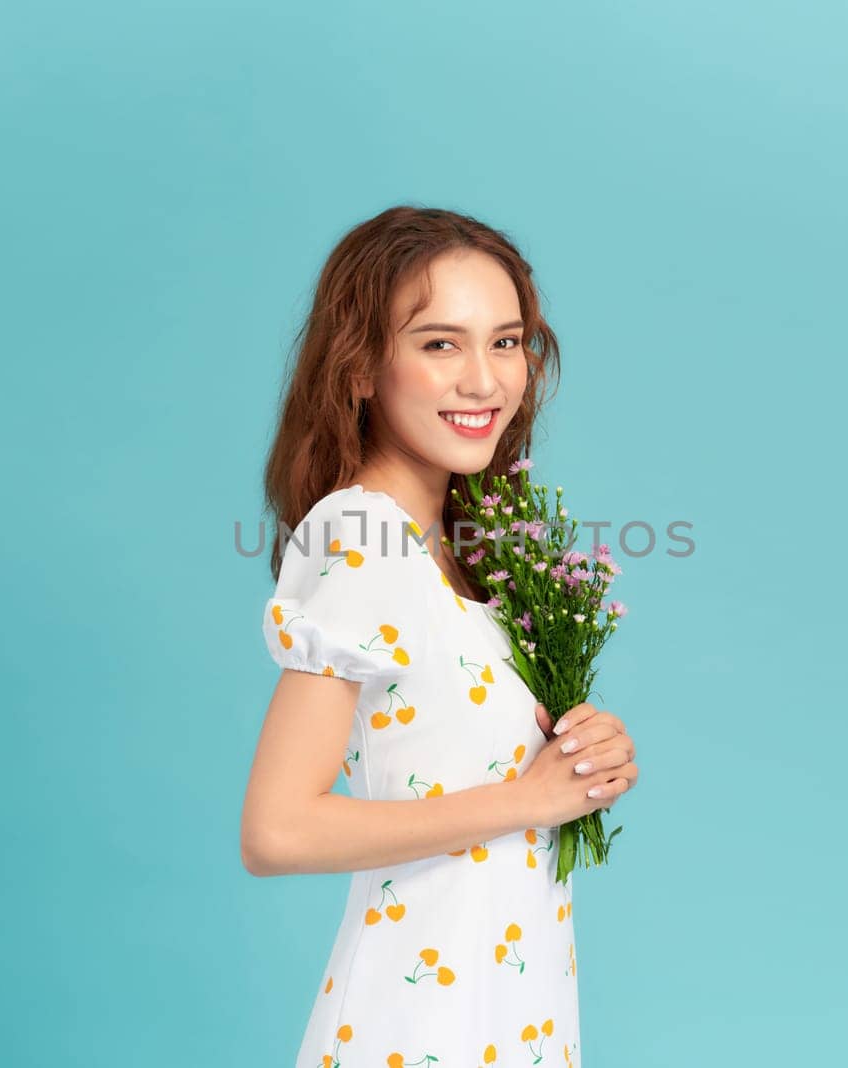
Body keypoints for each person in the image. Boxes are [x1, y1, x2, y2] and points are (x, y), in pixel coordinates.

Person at [242, 205, 639, 1068]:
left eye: (505, 342)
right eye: (438, 344)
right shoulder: (360, 535)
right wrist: (528, 801)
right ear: (359, 369)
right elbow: (277, 831)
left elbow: (471, 750)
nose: (485, 381)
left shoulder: (471, 552)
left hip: (512, 1010)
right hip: (420, 1026)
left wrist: (582, 753)